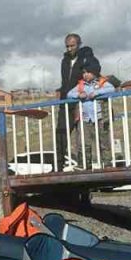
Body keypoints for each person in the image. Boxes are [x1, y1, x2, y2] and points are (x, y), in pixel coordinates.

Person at [55, 33, 99, 170]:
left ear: (78, 44)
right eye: (67, 46)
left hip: (81, 102)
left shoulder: (86, 57)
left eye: (72, 45)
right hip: (65, 102)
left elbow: (94, 71)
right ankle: (58, 164)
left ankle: (85, 164)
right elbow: (65, 81)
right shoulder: (64, 60)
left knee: (83, 135)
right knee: (61, 133)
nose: (69, 49)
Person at [65, 58, 114, 169]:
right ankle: (85, 164)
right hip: (85, 118)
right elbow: (69, 94)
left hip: (100, 117)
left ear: (95, 72)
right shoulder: (81, 85)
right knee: (83, 143)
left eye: (88, 72)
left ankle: (107, 164)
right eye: (83, 73)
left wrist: (96, 93)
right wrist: (78, 95)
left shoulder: (102, 83)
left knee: (104, 141)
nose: (85, 75)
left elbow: (111, 89)